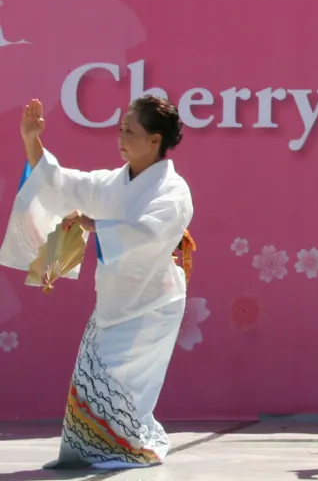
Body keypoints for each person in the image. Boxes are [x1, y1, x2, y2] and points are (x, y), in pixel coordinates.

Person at [0, 96, 194, 470]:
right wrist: (32, 140)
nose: (120, 136)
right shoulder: (112, 182)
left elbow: (151, 233)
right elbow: (61, 183)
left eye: (129, 130)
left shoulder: (173, 190)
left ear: (155, 140)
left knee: (122, 383)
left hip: (153, 304)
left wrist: (95, 225)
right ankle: (94, 450)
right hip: (113, 299)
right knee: (91, 374)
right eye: (120, 127)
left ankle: (130, 448)